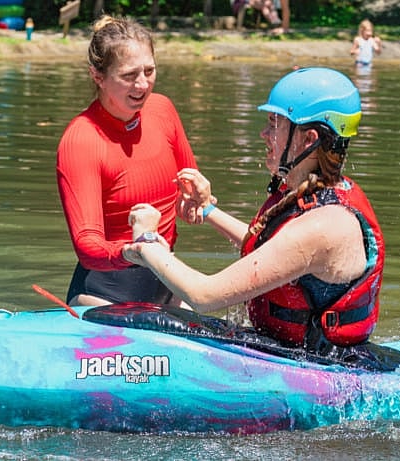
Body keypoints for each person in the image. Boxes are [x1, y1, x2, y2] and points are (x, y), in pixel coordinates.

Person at [122, 67, 385, 353]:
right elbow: (268, 248)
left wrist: (147, 242)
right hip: (295, 353)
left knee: (152, 319)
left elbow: (203, 295)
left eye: (274, 123)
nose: (264, 133)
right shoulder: (318, 193)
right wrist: (208, 210)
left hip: (322, 372)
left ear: (308, 140)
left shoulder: (325, 227)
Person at [57, 16, 199, 307]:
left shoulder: (163, 111)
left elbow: (188, 183)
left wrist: (196, 198)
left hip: (166, 287)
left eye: (149, 71)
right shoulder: (81, 139)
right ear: (98, 76)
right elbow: (87, 244)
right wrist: (134, 251)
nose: (143, 84)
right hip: (103, 298)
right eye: (129, 75)